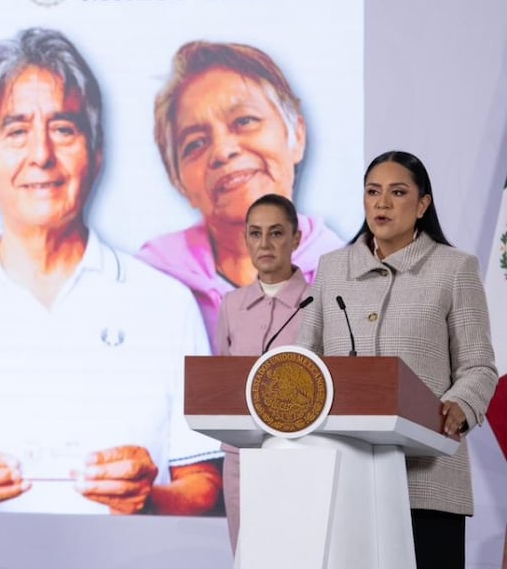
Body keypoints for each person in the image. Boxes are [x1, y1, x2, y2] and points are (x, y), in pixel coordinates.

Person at [0, 28, 223, 514]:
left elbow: (207, 486)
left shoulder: (171, 304)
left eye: (64, 128)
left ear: (96, 154)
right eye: (16, 131)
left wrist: (149, 500)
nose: (41, 155)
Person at [297, 151, 498, 568]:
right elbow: (306, 362)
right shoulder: (333, 269)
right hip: (346, 476)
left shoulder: (454, 268)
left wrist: (460, 405)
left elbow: (478, 365)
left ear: (422, 204)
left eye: (398, 192)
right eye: (373, 192)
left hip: (427, 478)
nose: (382, 203)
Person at [138, 41, 343, 354]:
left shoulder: (352, 283)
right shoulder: (146, 286)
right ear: (178, 181)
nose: (222, 151)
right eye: (195, 143)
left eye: (245, 121)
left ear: (296, 136)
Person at [214, 193, 311, 552]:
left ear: (296, 238)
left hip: (299, 452)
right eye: (255, 233)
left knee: (296, 551)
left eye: (276, 233)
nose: (265, 244)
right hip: (241, 455)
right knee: (247, 553)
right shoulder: (231, 305)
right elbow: (222, 377)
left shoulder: (319, 303)